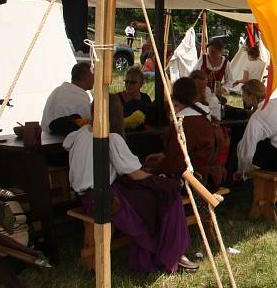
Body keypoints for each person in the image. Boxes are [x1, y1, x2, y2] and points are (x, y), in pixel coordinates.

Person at [64, 94, 196, 272]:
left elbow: (68, 144)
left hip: (88, 197)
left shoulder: (79, 134)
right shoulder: (109, 139)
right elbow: (135, 174)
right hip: (104, 200)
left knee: (150, 195)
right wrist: (161, 180)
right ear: (117, 114)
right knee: (165, 194)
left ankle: (171, 251)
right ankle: (170, 252)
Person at [145, 77, 228, 189]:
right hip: (213, 177)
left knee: (144, 177)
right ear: (195, 96)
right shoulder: (208, 117)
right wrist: (162, 156)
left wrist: (152, 169)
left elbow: (174, 163)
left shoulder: (183, 123)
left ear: (175, 99)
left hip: (196, 182)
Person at [41, 62, 94, 134]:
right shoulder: (79, 96)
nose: (95, 78)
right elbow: (86, 124)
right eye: (93, 75)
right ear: (85, 77)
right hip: (60, 141)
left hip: (47, 137)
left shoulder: (58, 90)